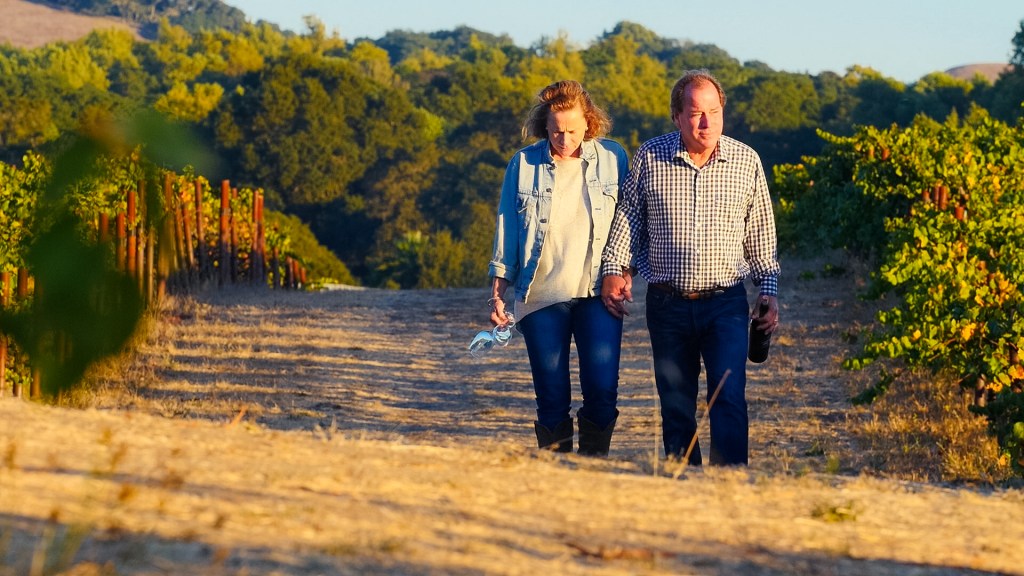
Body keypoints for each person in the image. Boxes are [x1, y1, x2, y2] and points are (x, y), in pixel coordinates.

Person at [600, 69, 780, 466]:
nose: (706, 122)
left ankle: (730, 487)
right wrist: (615, 268)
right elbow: (629, 218)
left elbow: (761, 236)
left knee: (728, 396)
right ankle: (684, 487)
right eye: (696, 113)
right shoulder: (651, 156)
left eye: (713, 112)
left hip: (726, 304)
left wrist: (768, 292)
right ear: (677, 117)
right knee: (676, 404)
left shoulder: (746, 161)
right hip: (667, 306)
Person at [487, 80, 629, 456]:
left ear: (588, 124)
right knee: (551, 394)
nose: (564, 139)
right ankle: (557, 475)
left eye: (571, 130)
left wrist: (626, 272)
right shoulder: (524, 163)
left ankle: (593, 467)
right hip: (540, 297)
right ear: (543, 127)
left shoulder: (614, 159)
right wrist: (498, 291)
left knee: (602, 388)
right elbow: (507, 227)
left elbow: (629, 222)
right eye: (555, 131)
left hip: (596, 293)